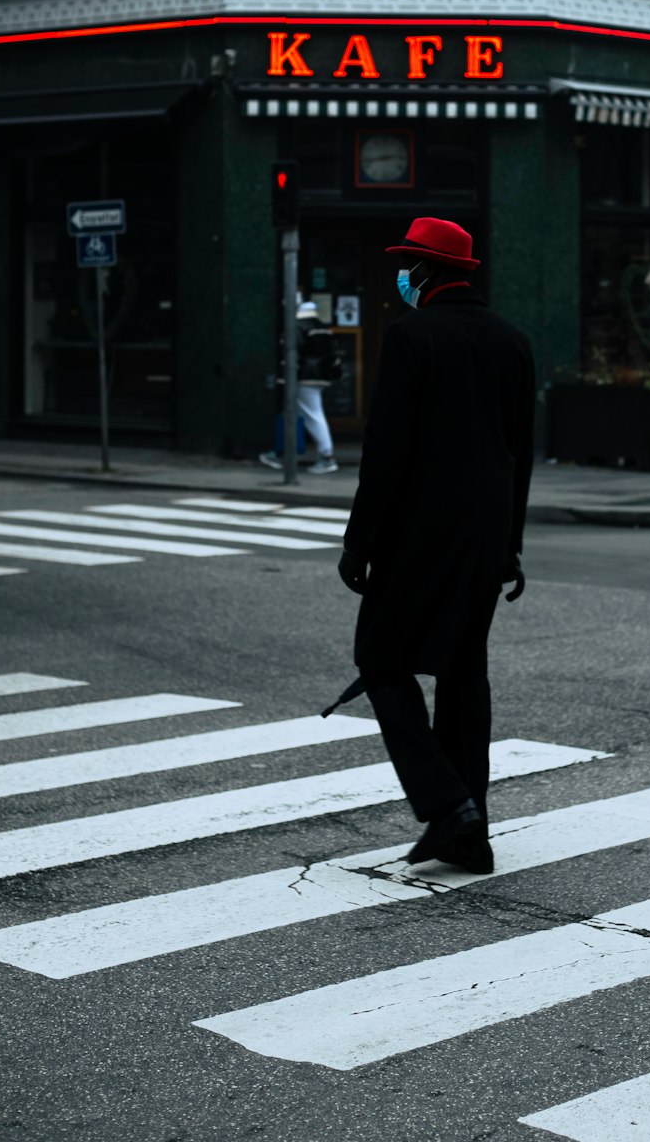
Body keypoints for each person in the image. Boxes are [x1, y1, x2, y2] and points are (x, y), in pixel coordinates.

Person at [331, 217, 535, 875]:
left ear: (424, 271)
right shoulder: (513, 342)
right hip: (483, 537)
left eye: (407, 267)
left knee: (381, 658)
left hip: (418, 534)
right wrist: (510, 546)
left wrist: (359, 542)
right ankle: (470, 838)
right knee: (462, 673)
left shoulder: (412, 336)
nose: (402, 280)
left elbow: (386, 450)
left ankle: (446, 804)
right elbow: (521, 455)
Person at [260, 297, 341, 475]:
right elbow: (332, 353)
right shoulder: (321, 326)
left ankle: (326, 455)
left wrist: (286, 377)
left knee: (311, 414)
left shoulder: (298, 326)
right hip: (319, 375)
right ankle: (284, 452)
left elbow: (291, 353)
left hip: (304, 376)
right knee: (297, 413)